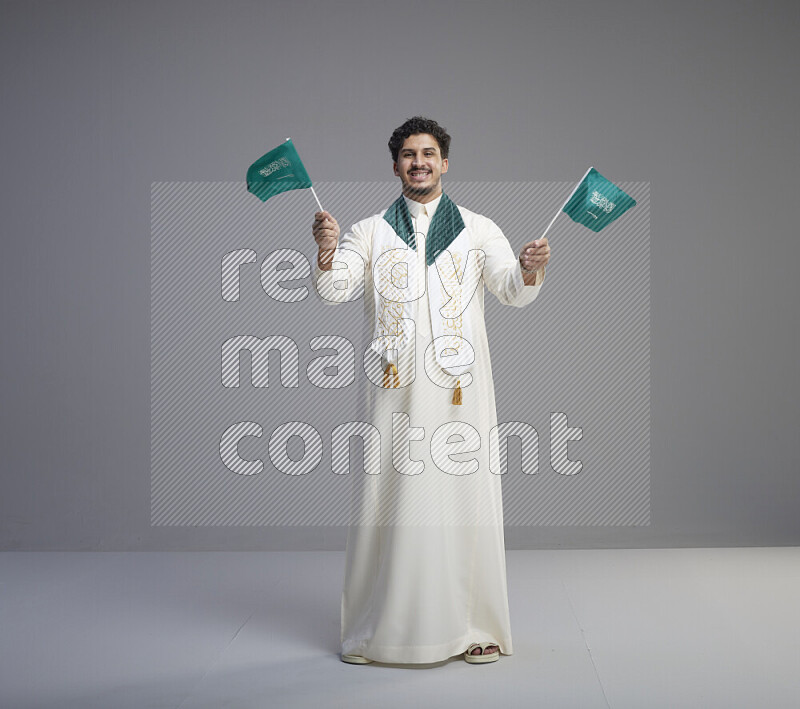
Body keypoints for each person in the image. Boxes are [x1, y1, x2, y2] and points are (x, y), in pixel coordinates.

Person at [311, 117, 550, 665]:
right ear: (395, 165)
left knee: (466, 501)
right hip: (393, 392)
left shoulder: (478, 228)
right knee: (389, 502)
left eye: (429, 153)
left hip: (461, 393)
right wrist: (326, 250)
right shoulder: (370, 231)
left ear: (445, 163)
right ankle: (379, 630)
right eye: (408, 154)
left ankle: (475, 627)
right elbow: (335, 289)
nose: (419, 162)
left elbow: (512, 290)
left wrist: (533, 268)